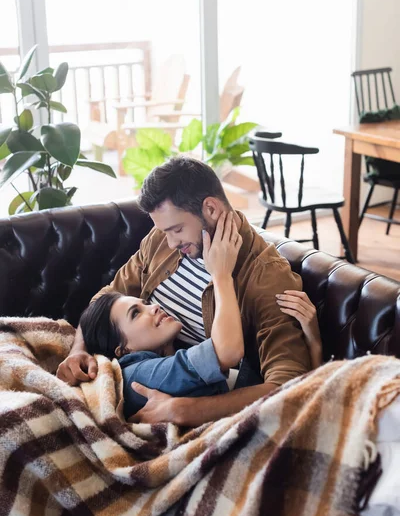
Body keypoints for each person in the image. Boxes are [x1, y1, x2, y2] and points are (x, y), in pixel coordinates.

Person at [57, 157, 312, 425]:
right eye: (165, 231)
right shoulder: (162, 240)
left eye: (177, 229)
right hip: (144, 376)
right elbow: (107, 297)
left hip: (203, 397)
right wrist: (78, 349)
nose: (170, 241)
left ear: (211, 209)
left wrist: (187, 409)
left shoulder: (266, 275)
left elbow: (288, 384)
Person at [79, 212, 245, 419]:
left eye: (146, 303)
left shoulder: (160, 362)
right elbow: (226, 351)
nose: (154, 307)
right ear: (123, 350)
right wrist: (221, 276)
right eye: (136, 314)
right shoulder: (139, 374)